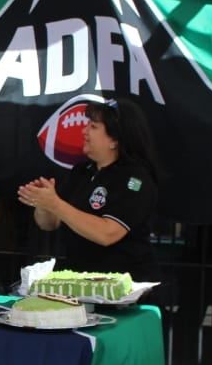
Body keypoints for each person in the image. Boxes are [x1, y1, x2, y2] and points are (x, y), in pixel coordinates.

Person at [16, 97, 161, 283]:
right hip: (81, 284)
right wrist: (44, 204)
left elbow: (107, 234)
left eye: (93, 127)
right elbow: (49, 224)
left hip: (123, 288)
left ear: (114, 140)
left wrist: (56, 204)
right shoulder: (82, 172)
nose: (84, 131)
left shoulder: (135, 179)